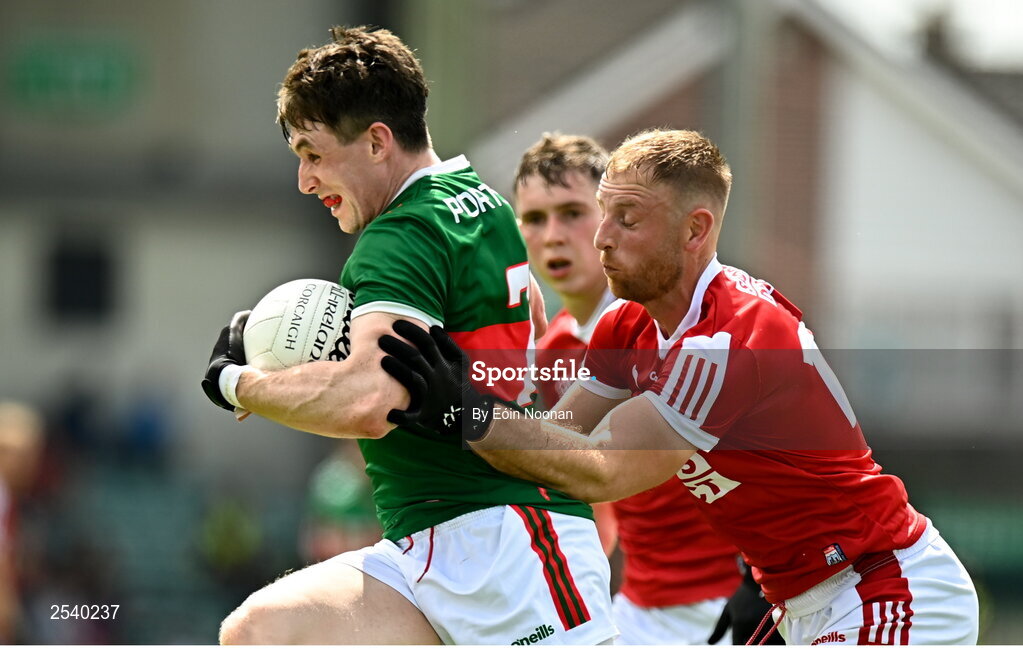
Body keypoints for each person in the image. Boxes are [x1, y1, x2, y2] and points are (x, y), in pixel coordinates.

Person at [379, 129, 980, 645]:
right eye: (604, 212)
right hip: (797, 596)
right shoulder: (628, 323)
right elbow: (559, 438)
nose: (601, 238)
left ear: (696, 231)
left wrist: (466, 408)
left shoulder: (726, 340)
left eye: (627, 218)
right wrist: (454, 408)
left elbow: (604, 471)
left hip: (885, 585)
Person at [200, 26, 615, 645]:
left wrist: (240, 384)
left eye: (314, 154)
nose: (304, 180)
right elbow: (524, 313)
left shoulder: (401, 234)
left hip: (508, 550)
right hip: (433, 547)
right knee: (261, 632)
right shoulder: (482, 202)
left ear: (375, 142)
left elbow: (369, 401)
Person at [514, 133, 766, 645]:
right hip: (641, 604)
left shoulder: (681, 323)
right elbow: (584, 486)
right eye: (535, 219)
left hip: (733, 600)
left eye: (573, 213)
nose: (554, 235)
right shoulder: (553, 348)